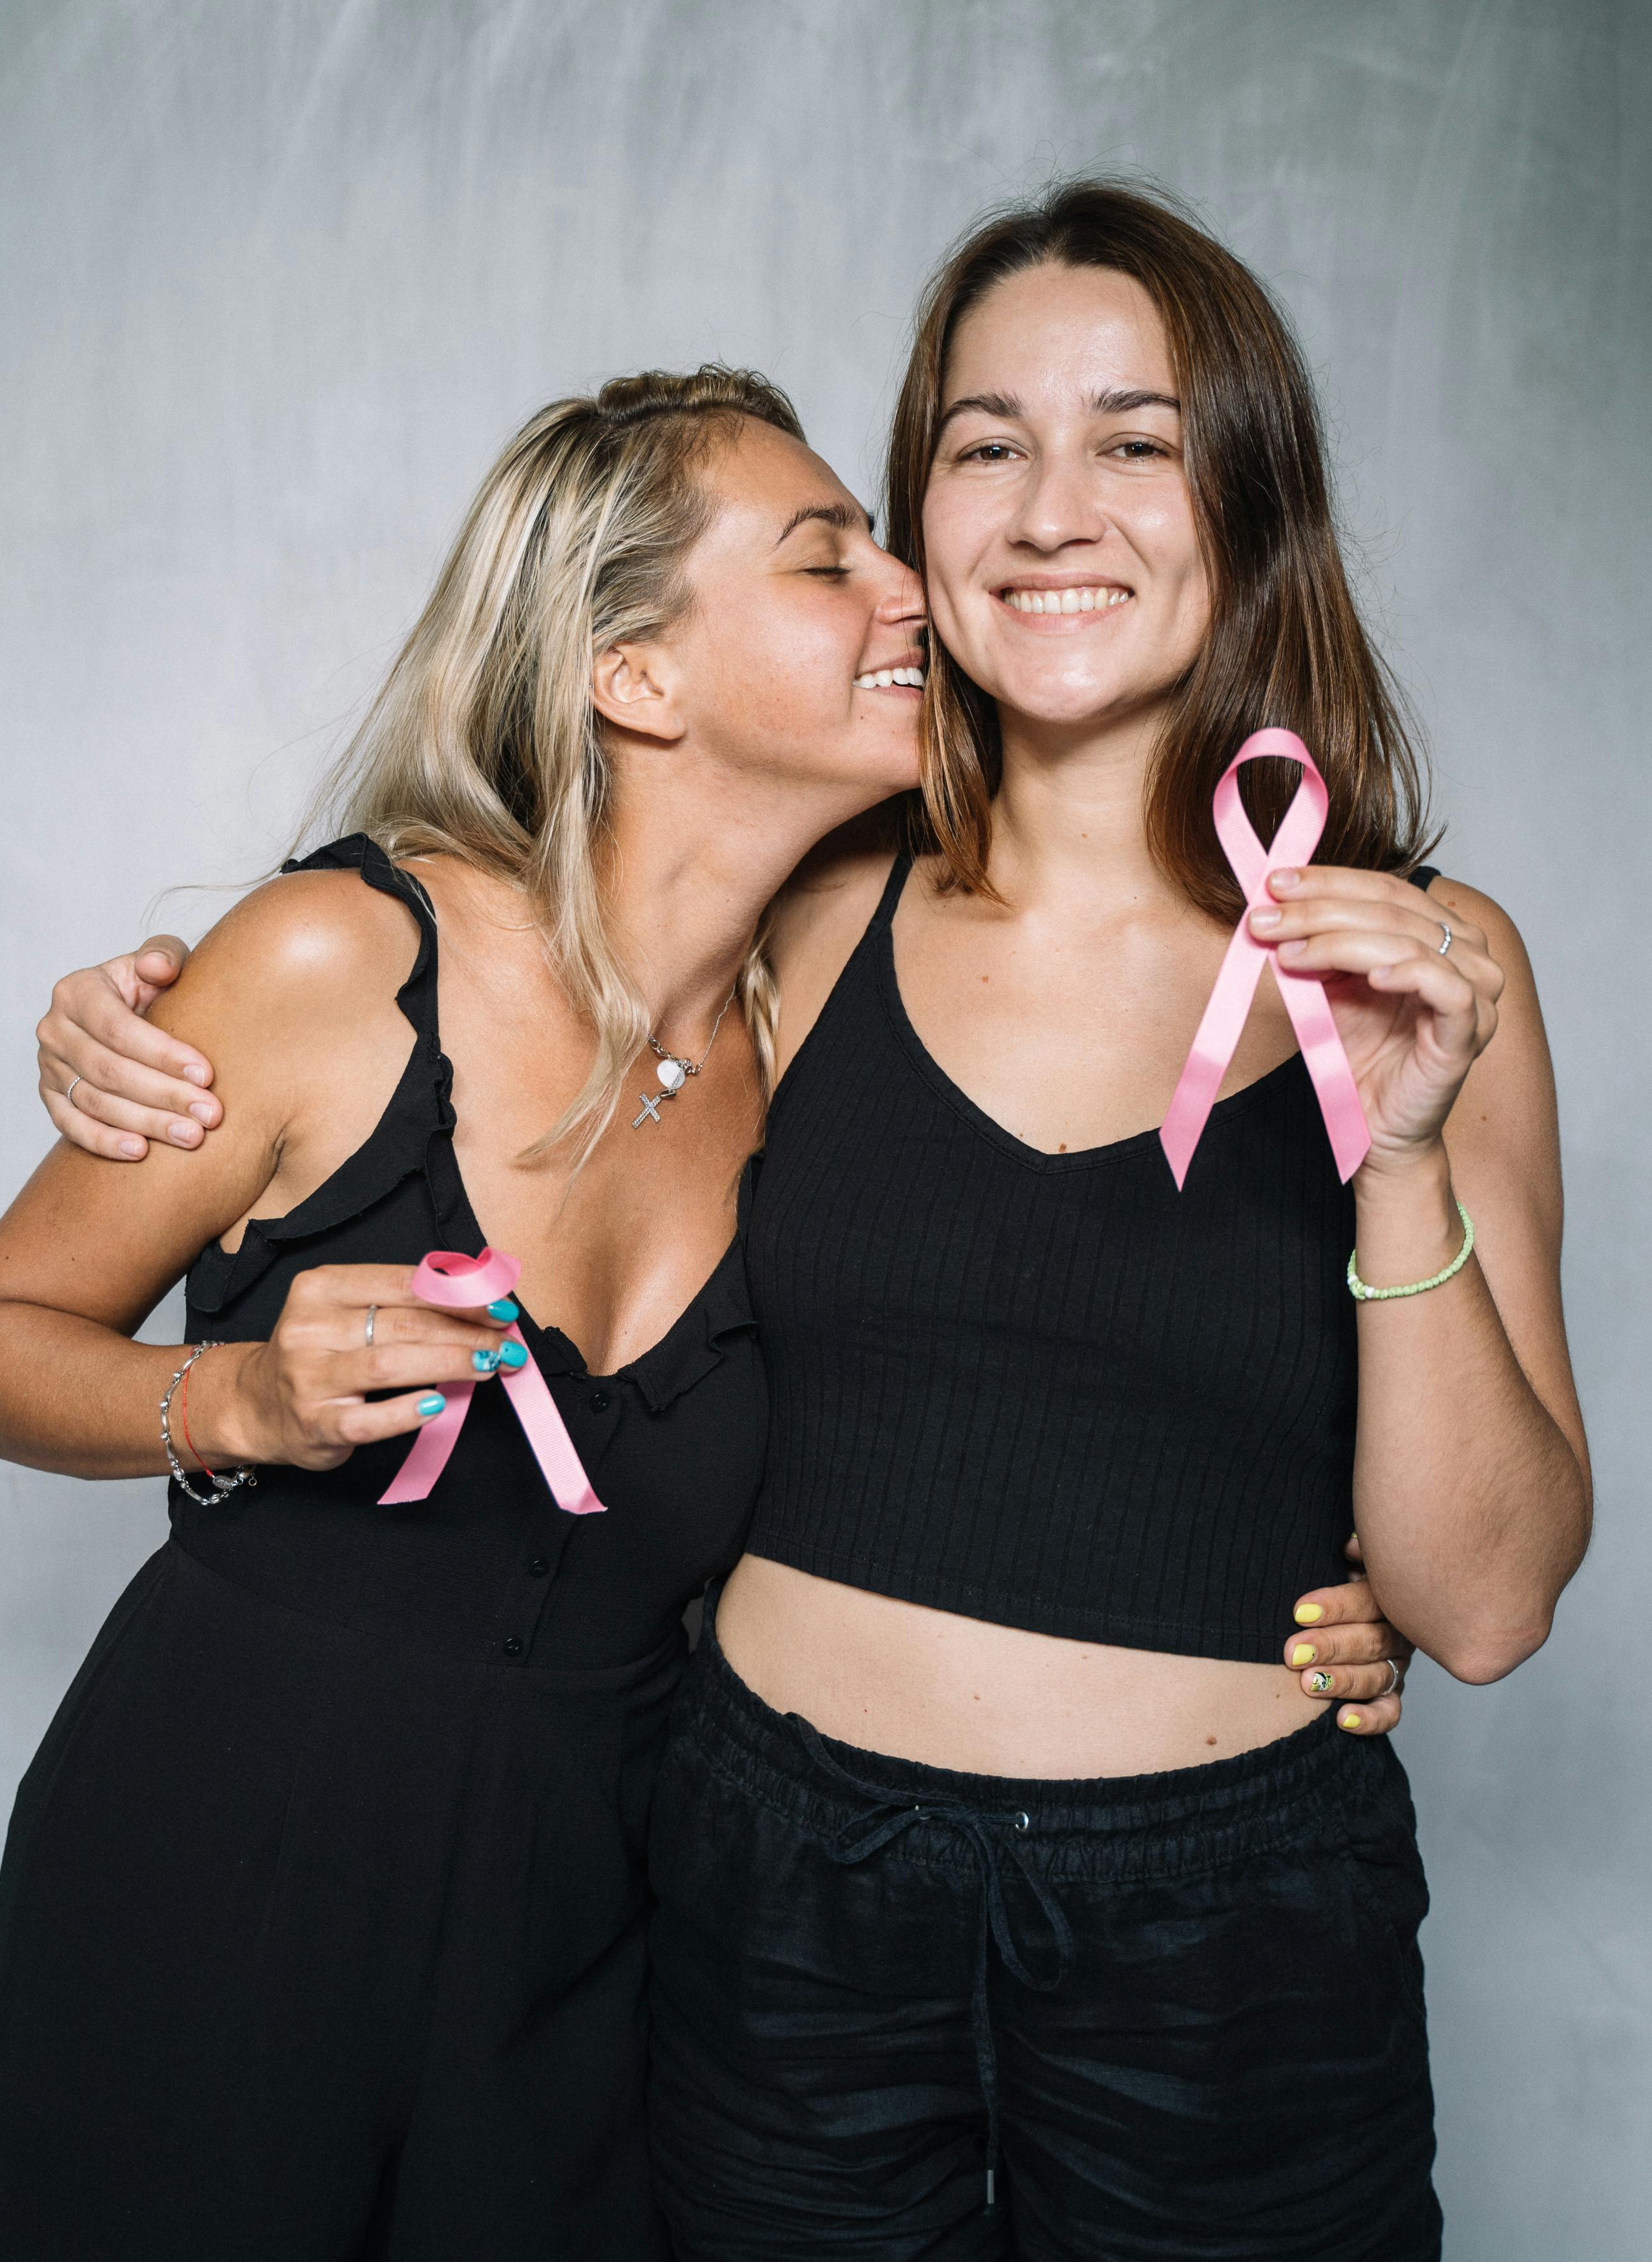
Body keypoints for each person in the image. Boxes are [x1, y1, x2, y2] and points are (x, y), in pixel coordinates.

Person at [631, 182, 1590, 2259]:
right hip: (776, 1905)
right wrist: (195, 1004)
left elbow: (1490, 1599)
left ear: (1243, 498)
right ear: (920, 520)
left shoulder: (1421, 960)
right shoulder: (809, 912)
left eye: (1132, 439)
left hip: (1230, 1946)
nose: (1052, 508)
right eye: (986, 444)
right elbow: (493, 1016)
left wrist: (1398, 1144)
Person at [0, 364, 934, 2260]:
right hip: (212, 1858)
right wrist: (233, 1396)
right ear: (635, 674)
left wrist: (1280, 1603)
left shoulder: (825, 1039)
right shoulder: (337, 952)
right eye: (827, 560)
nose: (909, 589)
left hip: (593, 1941)